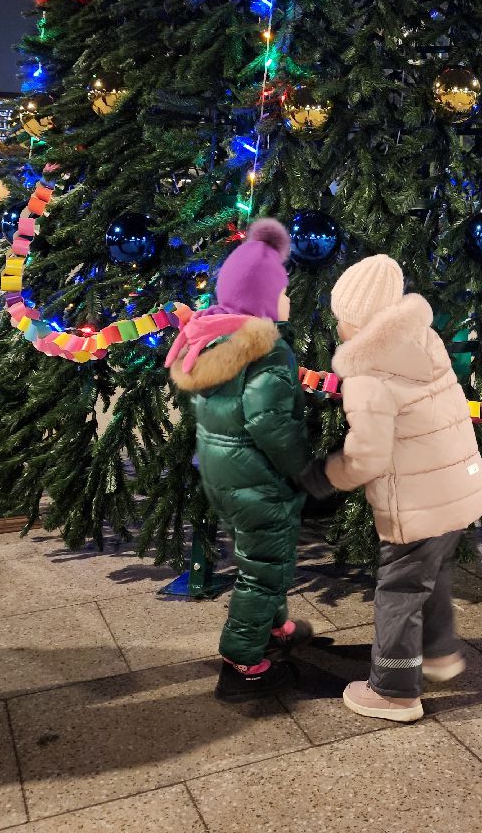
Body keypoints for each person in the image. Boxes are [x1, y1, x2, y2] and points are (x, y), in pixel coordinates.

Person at [302, 254, 482, 724]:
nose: (338, 326)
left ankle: (393, 690)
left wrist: (327, 476)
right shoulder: (423, 341)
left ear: (359, 320)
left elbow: (368, 455)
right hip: (455, 488)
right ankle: (439, 653)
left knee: (400, 588)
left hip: (415, 499)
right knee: (432, 571)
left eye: (342, 316)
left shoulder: (368, 375)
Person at [165, 218, 314, 701]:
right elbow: (271, 424)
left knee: (265, 557)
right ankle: (243, 657)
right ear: (263, 298)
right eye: (282, 290)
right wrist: (304, 468)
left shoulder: (212, 337)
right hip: (259, 478)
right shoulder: (266, 352)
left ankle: (274, 625)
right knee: (264, 566)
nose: (287, 298)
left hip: (225, 475)